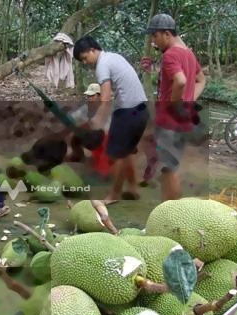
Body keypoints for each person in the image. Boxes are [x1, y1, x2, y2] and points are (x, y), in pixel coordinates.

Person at [73, 36, 150, 205]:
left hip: (128, 112)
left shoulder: (102, 65)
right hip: (141, 110)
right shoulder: (115, 57)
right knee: (126, 151)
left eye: (85, 58)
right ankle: (133, 188)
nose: (85, 62)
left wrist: (97, 122)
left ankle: (114, 195)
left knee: (114, 155)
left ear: (92, 49)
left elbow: (106, 97)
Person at [141, 14, 207, 201]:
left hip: (170, 121)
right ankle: (168, 210)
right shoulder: (187, 53)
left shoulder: (171, 55)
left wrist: (174, 106)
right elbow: (201, 80)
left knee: (168, 170)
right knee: (168, 166)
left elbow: (180, 81)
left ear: (167, 34)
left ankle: (173, 212)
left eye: (155, 36)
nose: (154, 41)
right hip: (182, 120)